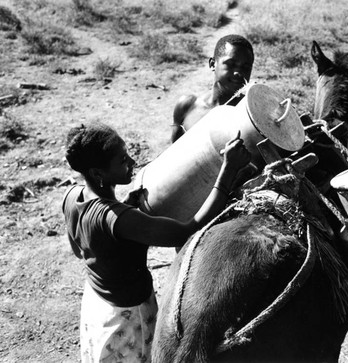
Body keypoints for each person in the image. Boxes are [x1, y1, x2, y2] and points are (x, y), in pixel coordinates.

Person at [62, 122, 250, 363]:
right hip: (128, 316)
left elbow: (80, 250)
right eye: (121, 160)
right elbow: (188, 230)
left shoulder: (72, 196)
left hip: (98, 304)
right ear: (98, 174)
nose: (132, 161)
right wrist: (228, 170)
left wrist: (124, 211)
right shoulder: (120, 219)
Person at [167, 34, 254, 145]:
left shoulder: (249, 116)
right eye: (231, 64)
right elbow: (173, 150)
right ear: (213, 64)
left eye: (246, 68)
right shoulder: (187, 105)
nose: (238, 72)